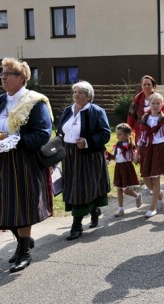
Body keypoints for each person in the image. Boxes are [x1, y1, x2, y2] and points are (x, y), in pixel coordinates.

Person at [0, 58, 53, 273]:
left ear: (22, 78)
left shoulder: (35, 101)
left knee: (21, 206)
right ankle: (23, 241)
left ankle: (24, 251)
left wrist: (16, 141)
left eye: (8, 74)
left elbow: (43, 133)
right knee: (5, 205)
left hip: (23, 161)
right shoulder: (0, 100)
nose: (2, 77)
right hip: (0, 161)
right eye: (2, 73)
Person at [57, 81, 111, 241]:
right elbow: (61, 131)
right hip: (69, 155)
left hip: (88, 156)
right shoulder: (68, 110)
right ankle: (94, 209)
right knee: (73, 188)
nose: (76, 95)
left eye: (80, 92)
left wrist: (87, 141)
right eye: (75, 92)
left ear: (88, 96)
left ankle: (76, 226)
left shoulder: (96, 111)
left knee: (82, 189)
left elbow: (105, 134)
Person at [134, 92, 164, 218]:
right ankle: (159, 194)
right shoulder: (145, 118)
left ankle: (153, 207)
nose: (155, 105)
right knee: (146, 176)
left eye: (158, 103)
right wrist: (137, 152)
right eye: (153, 103)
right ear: (149, 104)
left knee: (155, 177)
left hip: (158, 149)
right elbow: (141, 136)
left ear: (162, 104)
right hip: (146, 149)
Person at [106, 123, 142, 217]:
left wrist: (136, 157)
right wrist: (106, 154)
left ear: (127, 135)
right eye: (117, 134)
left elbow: (135, 159)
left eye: (119, 134)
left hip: (127, 168)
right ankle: (120, 209)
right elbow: (114, 157)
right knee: (119, 189)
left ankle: (137, 196)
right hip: (118, 168)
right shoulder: (116, 146)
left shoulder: (131, 147)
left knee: (126, 190)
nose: (117, 136)